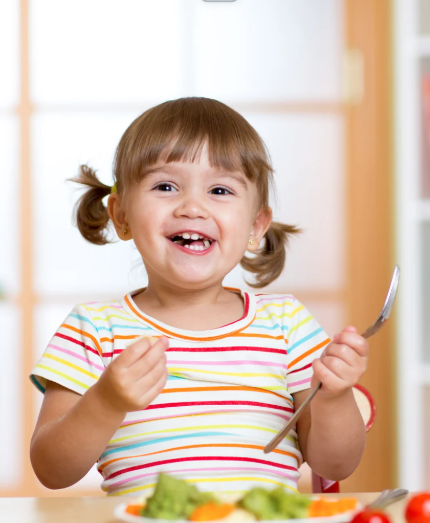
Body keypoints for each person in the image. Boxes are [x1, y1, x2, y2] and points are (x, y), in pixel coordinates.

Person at [29, 97, 368, 497]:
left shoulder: (287, 324)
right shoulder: (95, 328)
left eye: (220, 190)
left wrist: (334, 397)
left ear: (256, 225)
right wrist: (104, 402)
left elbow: (335, 464)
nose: (192, 207)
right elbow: (51, 469)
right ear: (121, 216)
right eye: (165, 186)